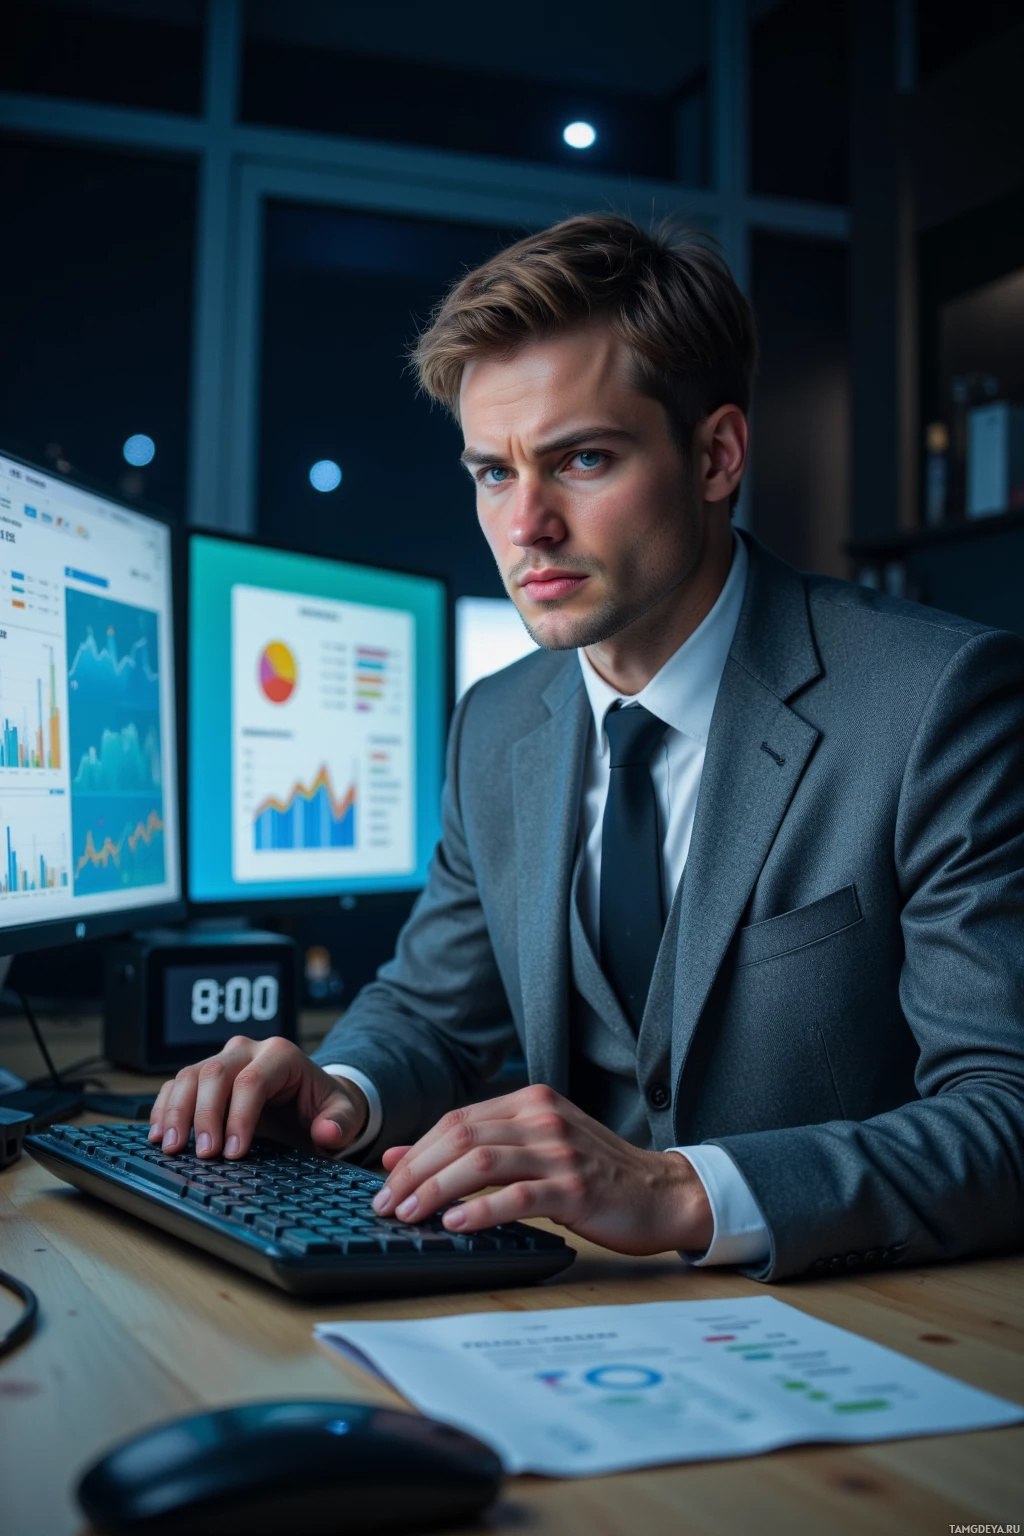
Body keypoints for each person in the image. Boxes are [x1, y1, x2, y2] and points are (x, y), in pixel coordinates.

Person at [150, 215, 1024, 1280]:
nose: (527, 527)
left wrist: (677, 1189)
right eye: (492, 473)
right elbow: (435, 1010)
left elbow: (1005, 1117)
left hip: (850, 1322)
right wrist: (341, 1094)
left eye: (581, 460)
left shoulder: (937, 700)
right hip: (563, 1314)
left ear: (715, 455)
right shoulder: (496, 720)